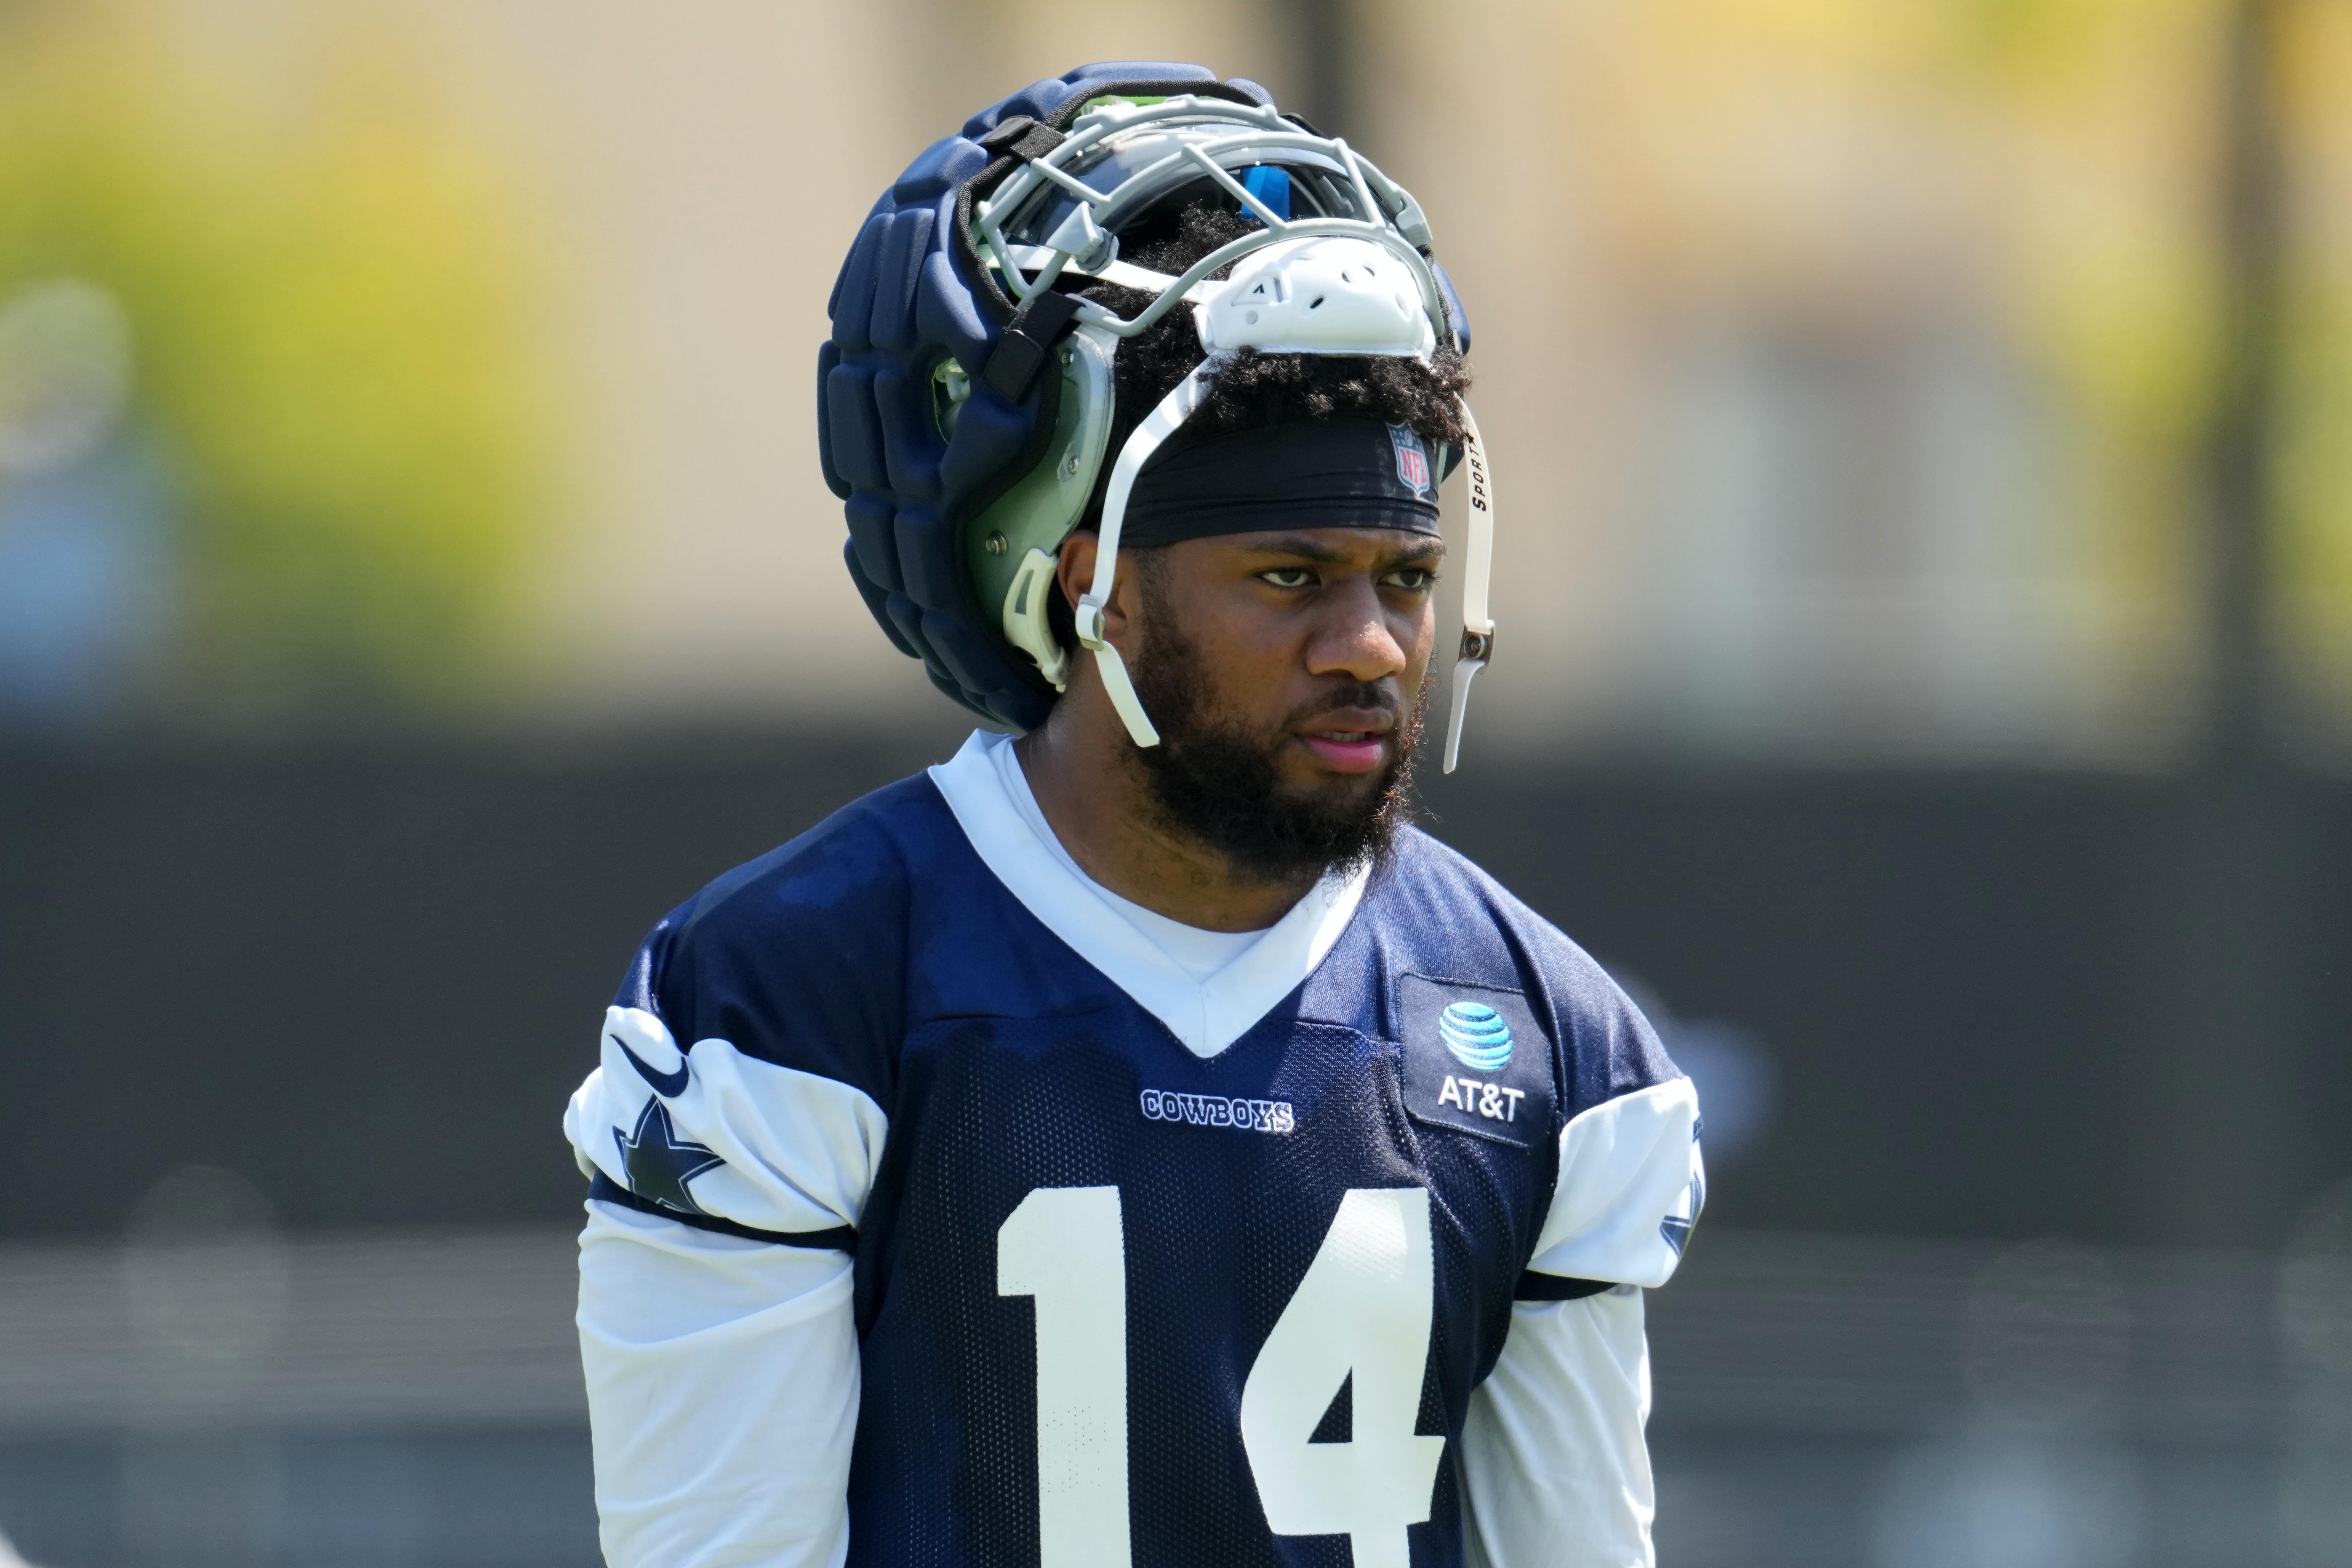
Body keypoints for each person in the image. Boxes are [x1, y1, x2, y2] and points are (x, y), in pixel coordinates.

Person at [564, 62, 1703, 1568]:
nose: (1371, 644)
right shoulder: (793, 1002)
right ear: (1089, 581)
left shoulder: (1549, 1046)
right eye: (1291, 576)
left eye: (1407, 578)